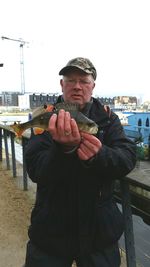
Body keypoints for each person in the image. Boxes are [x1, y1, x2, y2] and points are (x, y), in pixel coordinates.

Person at [23, 57, 136, 267]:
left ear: (93, 86)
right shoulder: (47, 116)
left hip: (99, 233)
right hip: (51, 231)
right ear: (61, 85)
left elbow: (127, 158)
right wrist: (63, 150)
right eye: (70, 80)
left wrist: (99, 155)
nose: (77, 86)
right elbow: (36, 169)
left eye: (84, 81)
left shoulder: (108, 119)